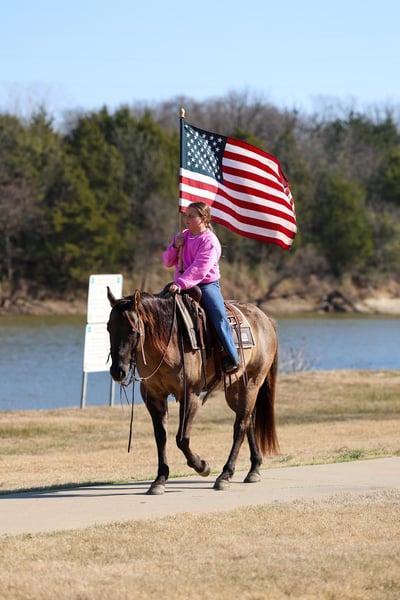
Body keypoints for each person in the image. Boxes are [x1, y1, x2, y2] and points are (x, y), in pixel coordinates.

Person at [162, 201, 240, 374]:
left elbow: (199, 269)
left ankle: (232, 356)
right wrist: (175, 246)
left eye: (191, 216)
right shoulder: (182, 236)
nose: (186, 219)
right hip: (180, 285)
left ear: (204, 219)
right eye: (186, 215)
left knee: (218, 316)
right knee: (155, 308)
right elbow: (167, 261)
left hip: (205, 285)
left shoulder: (209, 241)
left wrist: (180, 284)